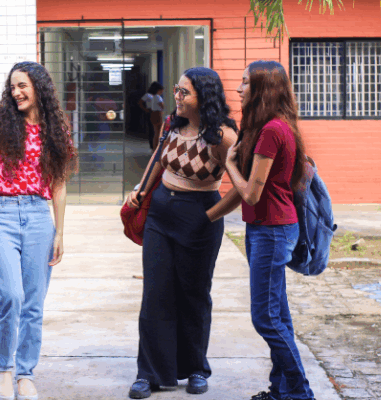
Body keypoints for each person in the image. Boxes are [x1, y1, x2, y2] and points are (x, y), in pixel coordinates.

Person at [0, 61, 77, 400]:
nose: (16, 92)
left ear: (39, 87)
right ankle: (4, 369)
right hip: (0, 214)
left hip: (39, 216)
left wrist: (59, 232)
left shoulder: (56, 130)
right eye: (12, 87)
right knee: (11, 295)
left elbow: (59, 184)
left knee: (34, 303)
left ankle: (25, 373)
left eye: (22, 85)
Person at [125, 67, 238, 399]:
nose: (176, 96)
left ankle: (196, 369)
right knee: (155, 294)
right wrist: (142, 189)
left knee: (194, 294)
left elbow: (245, 186)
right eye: (176, 89)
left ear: (204, 97)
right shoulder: (171, 125)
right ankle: (149, 373)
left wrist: (212, 215)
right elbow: (159, 159)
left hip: (200, 218)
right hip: (161, 214)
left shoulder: (223, 136)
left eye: (184, 92)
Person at [206, 60, 316, 400]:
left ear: (262, 89)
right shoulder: (273, 126)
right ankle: (281, 390)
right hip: (267, 228)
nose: (238, 89)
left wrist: (229, 164)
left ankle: (300, 393)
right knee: (278, 315)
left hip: (272, 230)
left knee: (265, 318)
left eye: (245, 83)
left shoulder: (272, 131)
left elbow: (251, 193)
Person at [138, 82, 165, 150]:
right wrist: (145, 109)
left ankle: (154, 146)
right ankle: (153, 145)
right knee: (153, 130)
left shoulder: (155, 96)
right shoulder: (148, 95)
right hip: (151, 111)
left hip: (154, 110)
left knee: (155, 130)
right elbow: (140, 102)